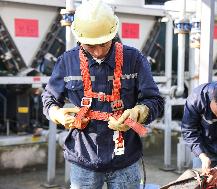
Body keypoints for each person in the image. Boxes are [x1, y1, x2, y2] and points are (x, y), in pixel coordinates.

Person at [41, 0, 164, 188]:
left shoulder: (134, 59)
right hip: (83, 159)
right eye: (90, 46)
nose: (98, 52)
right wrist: (57, 114)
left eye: (103, 44)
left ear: (113, 34)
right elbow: (48, 99)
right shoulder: (66, 62)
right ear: (79, 39)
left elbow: (155, 101)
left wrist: (138, 113)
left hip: (125, 159)